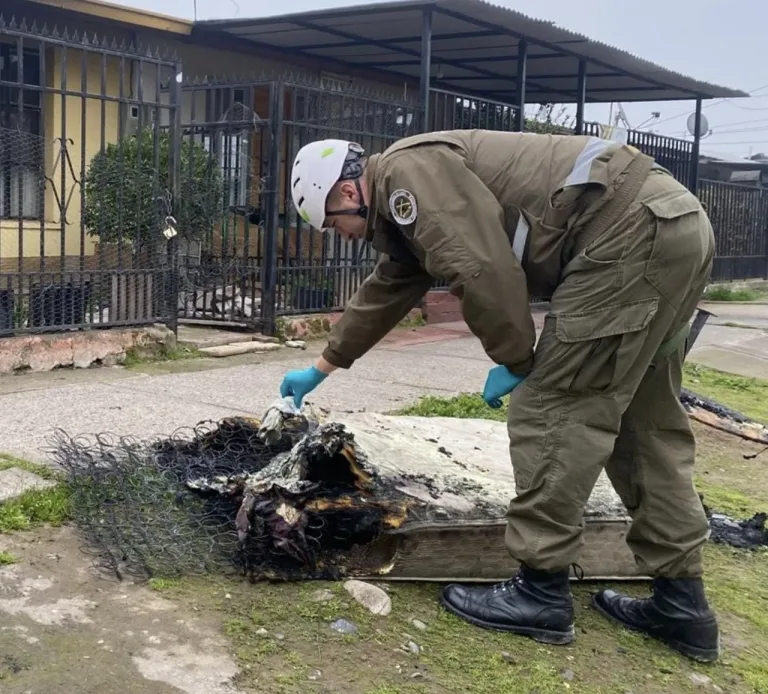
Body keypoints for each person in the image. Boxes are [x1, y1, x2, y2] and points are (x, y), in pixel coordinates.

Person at [279, 130, 720, 662]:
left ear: (349, 192)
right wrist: (321, 367)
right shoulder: (406, 208)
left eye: (334, 223)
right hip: (671, 224)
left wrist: (517, 359)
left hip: (624, 233)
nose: (341, 236)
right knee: (644, 421)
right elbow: (387, 288)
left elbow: (479, 266)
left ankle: (540, 592)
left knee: (554, 408)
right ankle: (682, 605)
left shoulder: (403, 174)